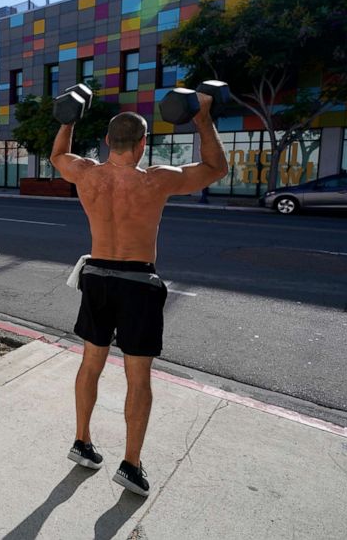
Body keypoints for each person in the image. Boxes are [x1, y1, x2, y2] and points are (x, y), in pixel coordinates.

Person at [50, 93, 227, 497]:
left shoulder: (87, 174)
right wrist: (201, 116)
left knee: (90, 363)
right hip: (137, 282)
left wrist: (68, 119)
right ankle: (130, 465)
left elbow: (59, 155)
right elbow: (217, 167)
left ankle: (82, 442)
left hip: (97, 276)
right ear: (143, 143)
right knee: (137, 377)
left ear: (109, 142)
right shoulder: (156, 179)